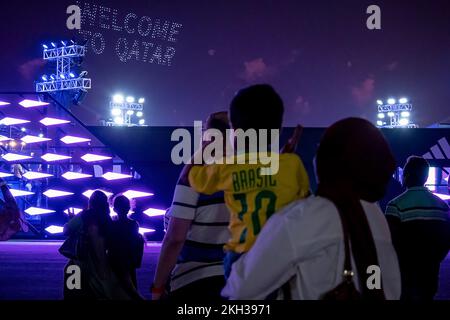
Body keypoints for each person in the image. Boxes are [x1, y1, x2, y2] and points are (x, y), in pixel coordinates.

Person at [222, 118, 401, 300]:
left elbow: (241, 288)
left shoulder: (302, 217)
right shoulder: (376, 217)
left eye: (320, 148)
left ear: (330, 160)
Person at [182, 85, 310, 278]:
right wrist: (283, 160)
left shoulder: (226, 167)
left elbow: (188, 176)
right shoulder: (292, 164)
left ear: (234, 131)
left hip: (241, 258)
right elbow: (303, 200)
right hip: (281, 256)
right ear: (278, 129)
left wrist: (207, 144)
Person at [151, 112, 231, 301]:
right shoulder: (252, 175)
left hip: (194, 283)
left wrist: (157, 288)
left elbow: (175, 238)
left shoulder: (194, 174)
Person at [385, 156, 450, 300]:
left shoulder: (395, 205)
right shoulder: (443, 207)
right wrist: (433, 260)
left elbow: (389, 243)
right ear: (426, 177)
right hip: (430, 273)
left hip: (403, 275)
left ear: (406, 176)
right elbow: (446, 241)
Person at [63, 190, 135, 300]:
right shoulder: (108, 220)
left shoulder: (84, 215)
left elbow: (66, 230)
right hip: (101, 265)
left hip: (79, 264)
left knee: (73, 294)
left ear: (90, 202)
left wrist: (72, 220)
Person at [108, 194, 144, 300]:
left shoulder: (111, 224)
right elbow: (136, 245)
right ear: (128, 208)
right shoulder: (133, 224)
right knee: (131, 289)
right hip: (128, 261)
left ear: (114, 209)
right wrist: (136, 261)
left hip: (113, 261)